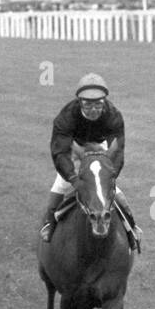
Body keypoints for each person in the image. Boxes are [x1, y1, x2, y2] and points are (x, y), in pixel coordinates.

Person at [40, 73, 141, 249]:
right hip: (74, 147)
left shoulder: (113, 116)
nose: (93, 110)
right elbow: (60, 152)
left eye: (98, 105)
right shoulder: (66, 117)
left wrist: (110, 176)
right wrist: (73, 178)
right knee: (62, 184)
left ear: (105, 102)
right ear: (80, 102)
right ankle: (49, 224)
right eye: (88, 105)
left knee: (111, 189)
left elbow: (117, 151)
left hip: (101, 148)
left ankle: (130, 227)